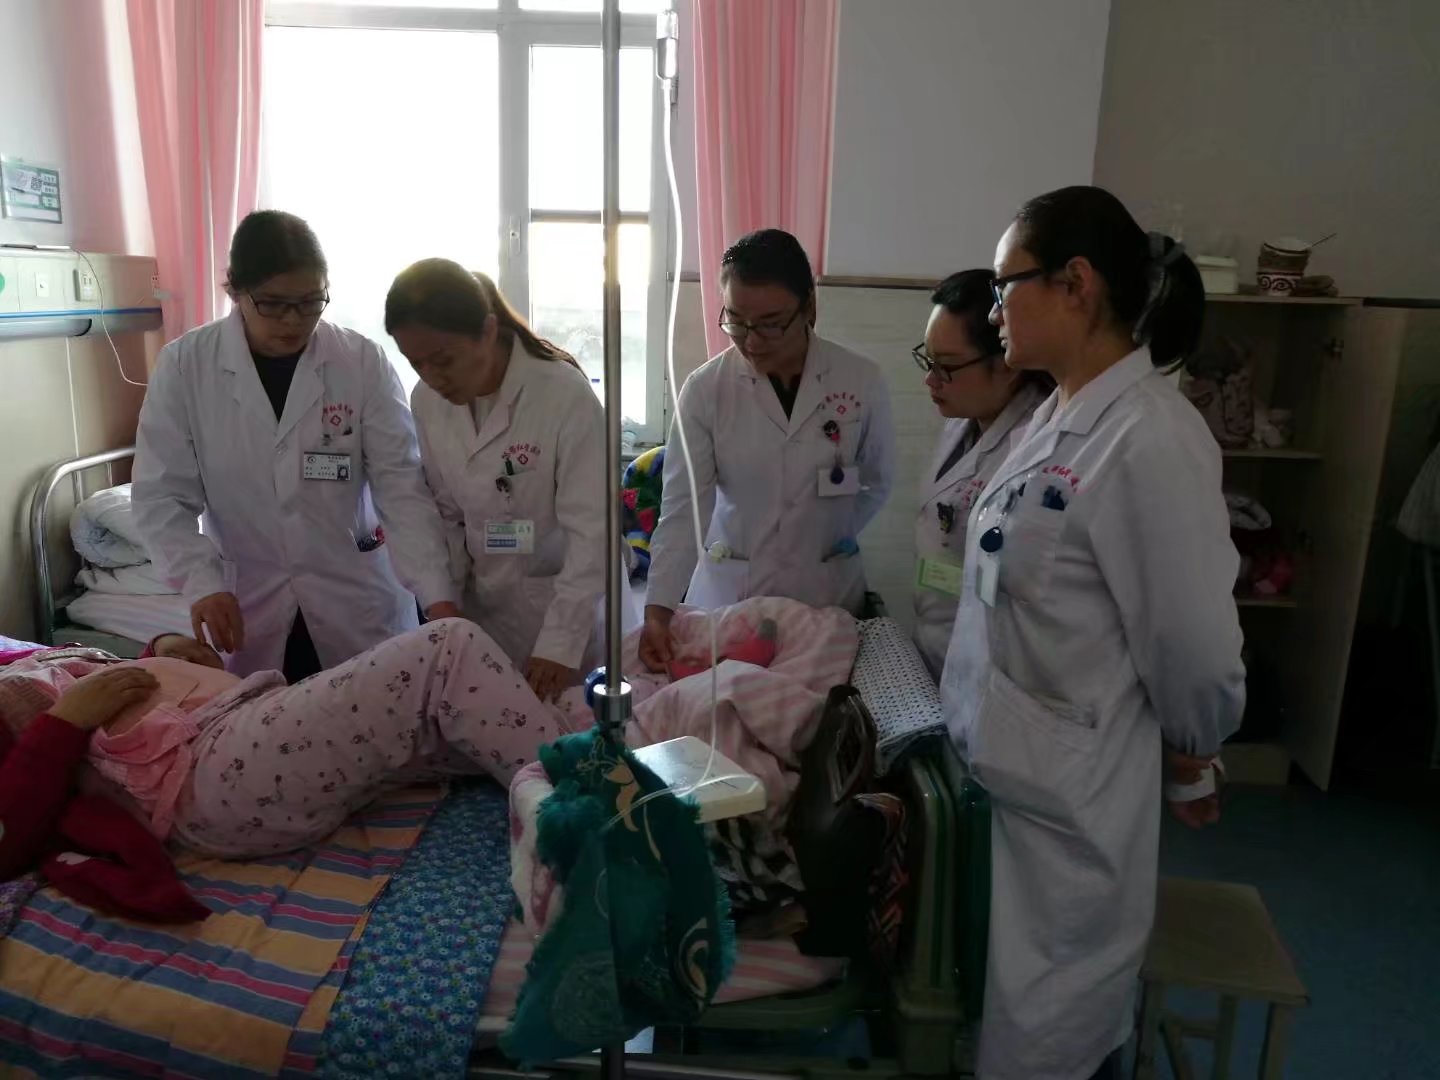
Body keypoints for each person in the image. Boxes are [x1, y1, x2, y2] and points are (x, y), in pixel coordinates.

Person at [940, 186, 1245, 1080]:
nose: (994, 308)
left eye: (1007, 284)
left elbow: (1195, 650)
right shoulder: (1055, 417)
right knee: (997, 1018)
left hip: (1071, 806)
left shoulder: (1152, 438)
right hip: (1008, 778)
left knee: (1050, 1038)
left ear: (1076, 284)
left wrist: (1194, 752)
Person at [133, 211, 460, 682]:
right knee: (262, 719)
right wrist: (201, 582)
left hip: (356, 601)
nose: (293, 320)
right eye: (273, 304)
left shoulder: (360, 361)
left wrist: (437, 595)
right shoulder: (186, 367)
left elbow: (402, 487)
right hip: (250, 604)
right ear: (236, 291)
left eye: (310, 303)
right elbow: (161, 497)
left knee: (374, 717)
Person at [0, 620, 558, 862]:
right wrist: (65, 724)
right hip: (200, 773)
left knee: (471, 713)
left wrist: (160, 651)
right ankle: (583, 813)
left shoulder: (16, 656)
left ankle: (590, 764)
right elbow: (11, 835)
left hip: (222, 729)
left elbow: (95, 687)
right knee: (446, 649)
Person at [640, 229, 896, 671]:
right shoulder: (705, 390)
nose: (752, 341)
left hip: (825, 592)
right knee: (727, 703)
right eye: (737, 321)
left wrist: (823, 536)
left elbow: (877, 481)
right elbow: (683, 509)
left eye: (771, 323)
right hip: (731, 596)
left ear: (809, 308)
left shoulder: (860, 380)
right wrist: (658, 610)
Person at [385, 260, 607, 702]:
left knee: (566, 728)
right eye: (415, 363)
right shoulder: (427, 400)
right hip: (481, 614)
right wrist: (445, 607)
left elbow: (593, 531)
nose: (431, 376)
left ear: (487, 331)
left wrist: (560, 643)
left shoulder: (562, 394)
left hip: (561, 611)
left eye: (443, 360)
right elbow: (446, 514)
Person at [911, 270, 1048, 678]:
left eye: (947, 366)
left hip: (988, 665)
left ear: (1006, 362)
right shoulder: (963, 419)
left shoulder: (1034, 446)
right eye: (929, 360)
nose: (930, 379)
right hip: (938, 644)